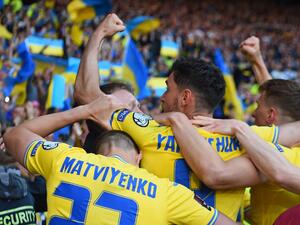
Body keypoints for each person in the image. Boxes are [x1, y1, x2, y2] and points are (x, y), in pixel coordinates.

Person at [73, 13, 293, 221]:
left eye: (168, 88)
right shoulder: (248, 139)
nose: (162, 96)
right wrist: (239, 125)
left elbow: (87, 95)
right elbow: (293, 124)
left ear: (185, 97)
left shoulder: (147, 130)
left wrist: (99, 34)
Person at [3, 96, 237, 225]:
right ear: (139, 156)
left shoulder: (63, 159)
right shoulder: (166, 193)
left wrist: (84, 111)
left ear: (96, 154)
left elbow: (13, 135)